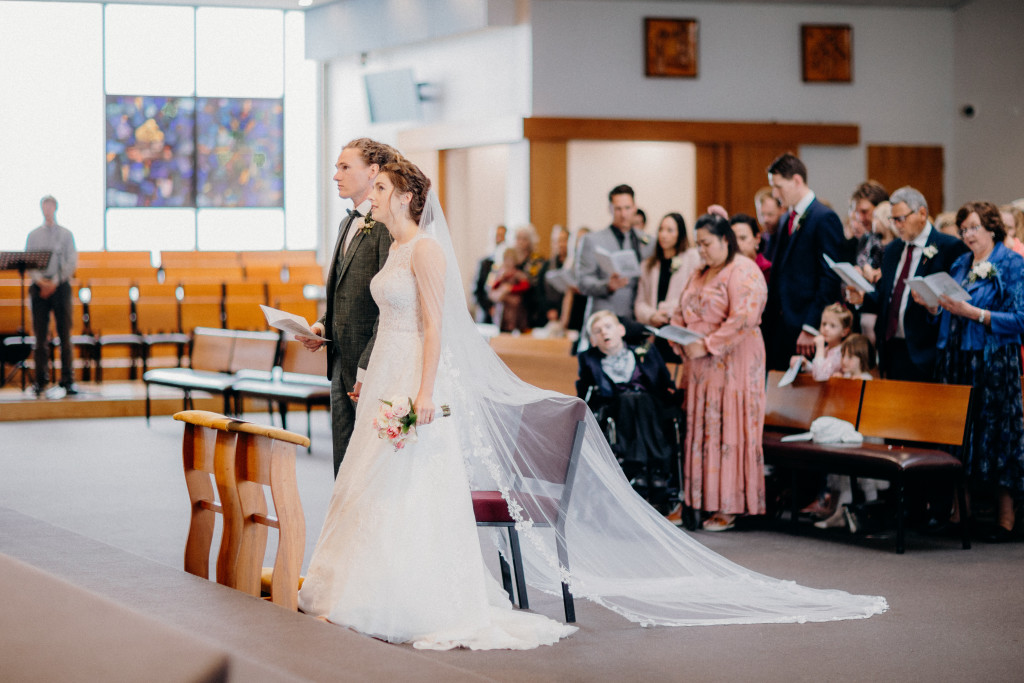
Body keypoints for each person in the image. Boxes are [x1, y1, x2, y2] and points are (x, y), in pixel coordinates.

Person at [299, 157, 886, 648]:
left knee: (411, 488)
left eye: (381, 187)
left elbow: (435, 328)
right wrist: (371, 371)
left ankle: (408, 599)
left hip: (415, 379)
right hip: (386, 373)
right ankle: (361, 587)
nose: (372, 195)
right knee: (372, 484)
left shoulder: (426, 251)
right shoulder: (394, 249)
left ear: (405, 196)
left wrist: (425, 391)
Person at [928, 201, 1024, 542]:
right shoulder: (960, 264)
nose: (967, 235)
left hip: (994, 361)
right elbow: (950, 310)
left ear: (992, 228)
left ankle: (1006, 518)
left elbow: (1020, 319)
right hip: (958, 359)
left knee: (997, 435)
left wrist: (976, 314)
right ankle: (960, 512)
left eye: (973, 227)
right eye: (963, 229)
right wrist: (934, 307)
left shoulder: (1012, 263)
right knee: (962, 435)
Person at [302, 138, 397, 477]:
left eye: (345, 167)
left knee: (370, 468)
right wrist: (321, 327)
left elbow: (390, 304)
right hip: (340, 362)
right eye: (336, 167)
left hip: (370, 367)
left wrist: (367, 369)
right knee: (343, 464)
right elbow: (345, 294)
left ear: (373, 171)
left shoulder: (387, 225)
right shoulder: (346, 224)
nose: (336, 176)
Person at [670, 214, 769, 532]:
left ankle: (730, 504)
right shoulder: (699, 272)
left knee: (730, 429)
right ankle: (698, 500)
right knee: (702, 431)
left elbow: (744, 318)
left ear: (725, 240)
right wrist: (677, 335)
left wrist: (708, 344)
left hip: (733, 363)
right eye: (698, 244)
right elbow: (680, 309)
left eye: (707, 243)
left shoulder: (744, 270)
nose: (702, 250)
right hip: (700, 368)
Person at [847, 186, 968, 381]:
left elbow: (958, 301)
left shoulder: (949, 247)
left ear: (922, 213)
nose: (897, 225)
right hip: (891, 347)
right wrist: (863, 298)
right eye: (893, 219)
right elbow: (885, 297)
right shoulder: (893, 249)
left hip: (927, 349)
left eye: (901, 218)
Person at [762, 153, 845, 371]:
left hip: (804, 323)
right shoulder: (785, 219)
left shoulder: (824, 217)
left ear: (797, 180)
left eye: (778, 186)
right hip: (780, 323)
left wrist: (811, 326)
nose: (774, 193)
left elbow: (830, 276)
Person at [576, 310, 677, 490]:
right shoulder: (589, 359)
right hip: (616, 407)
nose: (604, 332)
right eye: (598, 331)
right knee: (628, 400)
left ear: (621, 330)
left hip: (650, 406)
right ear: (593, 340)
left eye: (608, 327)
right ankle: (650, 466)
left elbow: (664, 381)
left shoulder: (644, 351)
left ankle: (642, 467)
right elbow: (585, 392)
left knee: (641, 400)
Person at [576, 184, 654, 340]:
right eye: (618, 209)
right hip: (604, 320)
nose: (623, 214)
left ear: (634, 208)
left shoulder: (648, 242)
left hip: (636, 321)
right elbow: (582, 282)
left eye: (627, 208)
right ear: (610, 209)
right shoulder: (592, 240)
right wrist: (607, 286)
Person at [26, 195, 77, 397]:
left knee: (65, 335)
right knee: (40, 337)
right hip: (39, 288)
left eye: (50, 206)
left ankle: (68, 380)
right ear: (41, 208)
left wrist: (55, 281)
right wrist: (41, 282)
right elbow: (29, 262)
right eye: (44, 206)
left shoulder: (66, 234)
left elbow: (71, 261)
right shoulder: (33, 235)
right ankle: (41, 380)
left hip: (60, 287)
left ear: (55, 208)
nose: (47, 209)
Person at [634, 212, 701, 361]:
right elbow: (640, 302)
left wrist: (668, 311)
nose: (664, 235)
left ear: (680, 233)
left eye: (670, 230)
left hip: (679, 329)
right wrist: (652, 315)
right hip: (654, 331)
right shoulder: (648, 265)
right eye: (661, 229)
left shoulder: (692, 259)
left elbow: (695, 296)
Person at [791, 303, 853, 382]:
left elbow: (820, 376)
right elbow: (818, 371)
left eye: (832, 326)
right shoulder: (827, 349)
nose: (826, 328)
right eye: (824, 324)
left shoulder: (841, 352)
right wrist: (805, 364)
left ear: (844, 332)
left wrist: (820, 348)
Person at [730, 213, 771, 281]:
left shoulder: (767, 270)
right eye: (733, 239)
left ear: (757, 239)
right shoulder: (729, 270)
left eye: (743, 238)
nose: (737, 244)